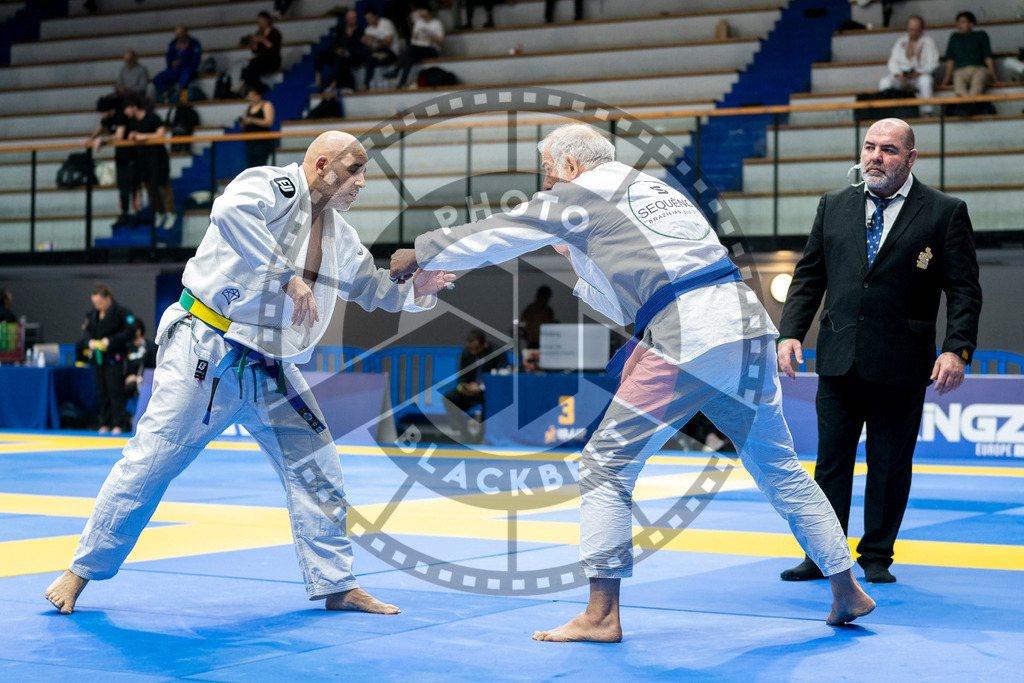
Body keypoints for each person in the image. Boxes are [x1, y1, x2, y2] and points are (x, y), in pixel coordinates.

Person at [391, 123, 875, 642]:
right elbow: (631, 300)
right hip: (747, 330)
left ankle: (600, 615)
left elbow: (502, 230)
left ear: (572, 167)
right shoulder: (656, 189)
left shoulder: (579, 193)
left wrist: (421, 252)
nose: (547, 186)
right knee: (779, 465)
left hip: (689, 337)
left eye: (549, 174)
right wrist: (576, 256)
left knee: (606, 463)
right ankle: (847, 588)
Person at [44, 131, 455, 616]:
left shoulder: (341, 236)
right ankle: (80, 572)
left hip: (273, 365)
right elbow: (230, 214)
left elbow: (371, 289)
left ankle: (336, 584)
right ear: (323, 165)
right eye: (354, 170)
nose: (362, 182)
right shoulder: (271, 187)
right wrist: (288, 278)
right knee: (153, 460)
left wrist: (419, 288)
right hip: (209, 346)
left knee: (318, 468)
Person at [777, 118, 982, 584]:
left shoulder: (944, 211)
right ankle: (823, 555)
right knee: (830, 462)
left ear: (910, 158)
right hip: (838, 355)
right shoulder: (833, 205)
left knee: (889, 463)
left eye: (888, 150)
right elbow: (809, 277)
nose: (875, 156)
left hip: (902, 358)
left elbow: (965, 290)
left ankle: (876, 557)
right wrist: (790, 333)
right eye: (869, 147)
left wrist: (957, 349)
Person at [80, 283, 135, 435]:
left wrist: (110, 341)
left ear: (108, 298)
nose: (97, 306)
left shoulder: (122, 312)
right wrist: (89, 341)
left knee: (115, 390)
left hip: (115, 358)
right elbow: (86, 333)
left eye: (100, 302)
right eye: (95, 303)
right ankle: (105, 422)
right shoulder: (92, 314)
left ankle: (119, 423)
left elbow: (129, 331)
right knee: (101, 391)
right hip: (98, 358)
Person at [120, 94, 176, 229]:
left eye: (127, 108)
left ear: (133, 107)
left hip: (158, 158)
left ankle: (170, 213)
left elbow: (161, 133)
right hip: (143, 160)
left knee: (164, 185)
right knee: (150, 188)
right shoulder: (132, 122)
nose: (125, 113)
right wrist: (133, 136)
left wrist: (142, 136)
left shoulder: (152, 117)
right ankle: (158, 213)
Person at [443, 329, 508, 442]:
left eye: (476, 349)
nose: (473, 352)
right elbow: (461, 376)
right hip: (469, 391)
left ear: (484, 343)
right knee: (448, 398)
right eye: (471, 349)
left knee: (490, 400)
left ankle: (481, 436)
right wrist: (463, 387)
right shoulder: (466, 352)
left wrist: (480, 387)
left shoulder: (497, 352)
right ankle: (462, 433)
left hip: (488, 392)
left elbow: (499, 378)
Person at [86, 105, 139, 225]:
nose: (101, 116)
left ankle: (136, 214)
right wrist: (90, 139)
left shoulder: (121, 116)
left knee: (133, 186)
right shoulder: (106, 119)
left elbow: (119, 136)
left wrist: (103, 140)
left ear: (111, 110)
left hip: (132, 155)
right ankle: (124, 214)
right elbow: (100, 127)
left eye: (103, 113)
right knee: (122, 187)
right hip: (120, 157)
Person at [878, 15, 939, 115]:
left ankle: (927, 112)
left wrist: (919, 72)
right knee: (884, 82)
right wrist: (897, 74)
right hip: (902, 75)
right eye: (911, 29)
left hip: (919, 75)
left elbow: (934, 63)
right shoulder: (901, 41)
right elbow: (892, 61)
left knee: (926, 81)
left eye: (916, 30)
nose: (914, 32)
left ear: (922, 29)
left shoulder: (928, 42)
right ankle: (885, 114)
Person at [941, 12, 997, 105]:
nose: (959, 25)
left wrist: (993, 75)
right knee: (958, 80)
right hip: (960, 70)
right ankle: (968, 104)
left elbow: (987, 57)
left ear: (971, 24)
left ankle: (968, 105)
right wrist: (946, 78)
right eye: (958, 22)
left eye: (963, 22)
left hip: (979, 68)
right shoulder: (954, 37)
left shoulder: (981, 35)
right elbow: (950, 59)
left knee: (978, 79)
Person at [313, 8, 368, 92]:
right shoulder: (339, 28)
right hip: (338, 54)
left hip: (351, 57)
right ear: (346, 18)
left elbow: (360, 48)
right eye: (351, 18)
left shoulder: (360, 30)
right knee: (320, 54)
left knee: (342, 59)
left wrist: (348, 51)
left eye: (354, 18)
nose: (353, 20)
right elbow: (333, 43)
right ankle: (317, 80)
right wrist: (336, 49)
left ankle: (333, 84)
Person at [388, 6, 444, 88]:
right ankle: (402, 82)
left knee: (410, 49)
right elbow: (414, 37)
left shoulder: (436, 23)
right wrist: (416, 36)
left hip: (432, 49)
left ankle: (396, 70)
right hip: (419, 47)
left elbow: (441, 40)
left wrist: (432, 37)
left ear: (429, 13)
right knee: (410, 58)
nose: (423, 16)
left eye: (425, 14)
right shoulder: (419, 22)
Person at [152, 25, 202, 102]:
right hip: (175, 70)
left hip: (188, 69)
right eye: (177, 35)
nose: (179, 37)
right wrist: (172, 63)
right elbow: (168, 58)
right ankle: (165, 95)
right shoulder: (172, 44)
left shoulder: (194, 43)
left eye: (181, 35)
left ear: (186, 33)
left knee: (185, 75)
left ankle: (183, 97)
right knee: (158, 78)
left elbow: (196, 60)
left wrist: (183, 62)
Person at [240, 11, 282, 92]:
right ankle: (251, 85)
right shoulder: (259, 32)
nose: (261, 24)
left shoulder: (275, 33)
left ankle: (248, 84)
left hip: (272, 60)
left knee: (254, 64)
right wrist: (254, 43)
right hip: (262, 59)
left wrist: (263, 40)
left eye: (262, 21)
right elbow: (256, 51)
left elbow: (273, 48)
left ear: (267, 21)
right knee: (249, 68)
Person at [241, 84, 276, 168]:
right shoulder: (249, 108)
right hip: (250, 141)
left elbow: (269, 122)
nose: (251, 98)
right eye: (250, 96)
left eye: (253, 96)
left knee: (261, 165)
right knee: (251, 166)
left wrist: (253, 120)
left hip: (262, 142)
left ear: (259, 95)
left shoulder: (266, 105)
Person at [362, 7, 398, 88]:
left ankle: (378, 55)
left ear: (376, 16)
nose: (368, 21)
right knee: (367, 56)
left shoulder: (386, 23)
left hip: (391, 51)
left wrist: (376, 39)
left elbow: (389, 43)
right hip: (376, 52)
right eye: (366, 19)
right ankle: (366, 83)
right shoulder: (368, 29)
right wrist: (366, 41)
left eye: (370, 18)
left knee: (381, 52)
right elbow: (369, 47)